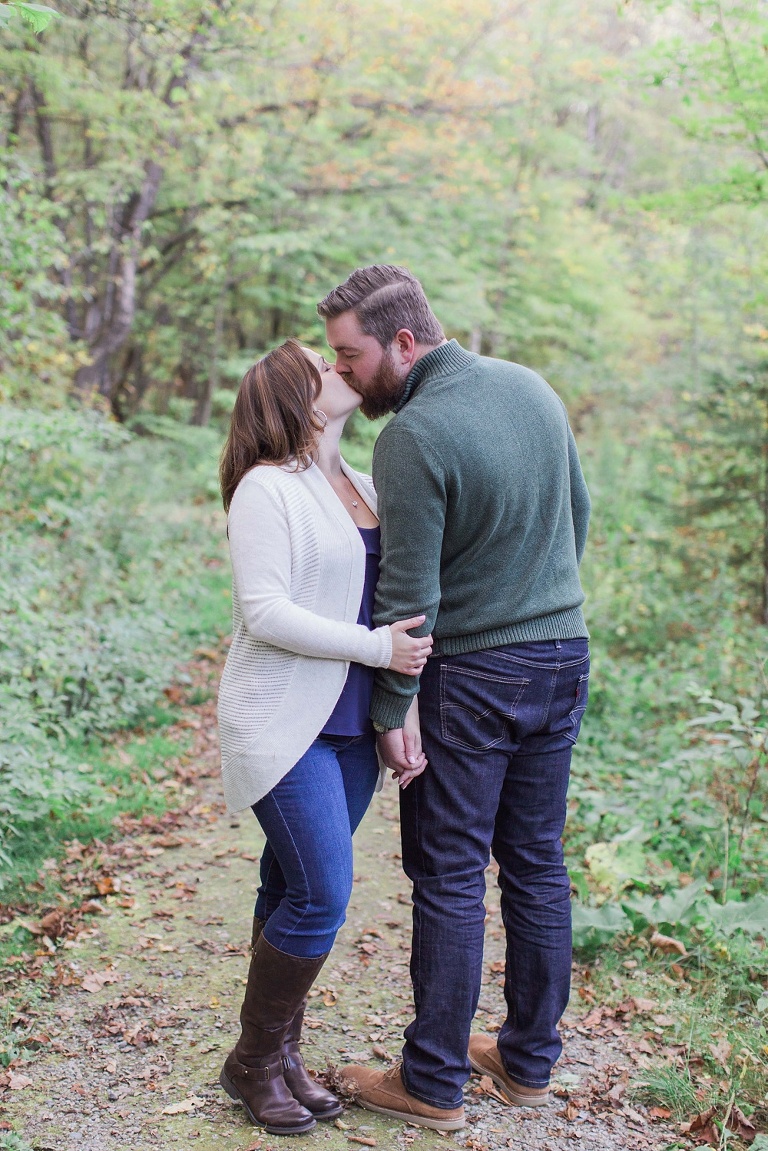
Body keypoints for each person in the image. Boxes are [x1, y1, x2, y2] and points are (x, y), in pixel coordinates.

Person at [317, 266, 591, 1133]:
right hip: (564, 653)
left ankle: (432, 1080)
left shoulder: (412, 436)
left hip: (474, 674)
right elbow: (576, 516)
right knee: (538, 862)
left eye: (351, 355)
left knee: (447, 875)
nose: (346, 373)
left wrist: (395, 704)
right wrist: (534, 595)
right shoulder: (531, 387)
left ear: (404, 341)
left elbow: (409, 590)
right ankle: (526, 1062)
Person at [216, 338, 432, 1136]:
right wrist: (379, 650)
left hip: (347, 730)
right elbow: (264, 611)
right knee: (321, 895)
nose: (341, 368)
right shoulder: (266, 490)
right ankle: (249, 1061)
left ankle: (277, 1057)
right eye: (323, 366)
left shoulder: (363, 484)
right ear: (292, 398)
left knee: (288, 885)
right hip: (282, 721)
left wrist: (393, 709)